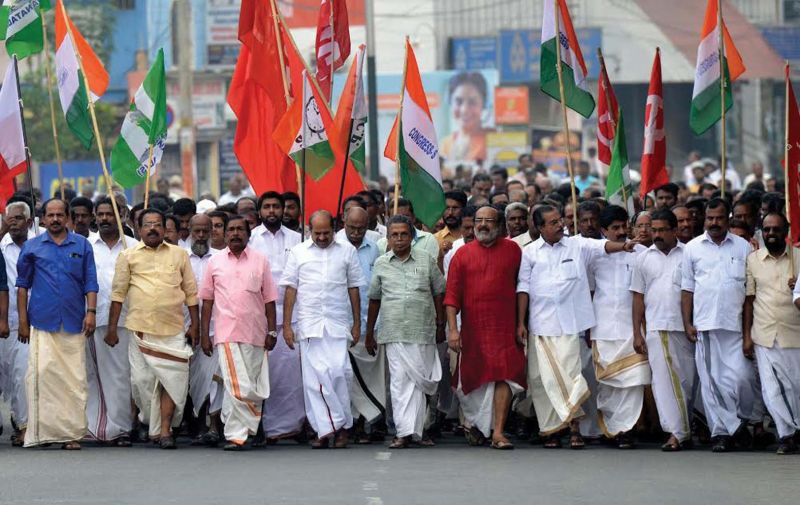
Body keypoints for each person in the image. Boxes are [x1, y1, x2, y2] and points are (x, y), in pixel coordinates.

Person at [516, 205, 637, 449]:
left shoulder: (577, 245)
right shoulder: (530, 253)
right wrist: (520, 322)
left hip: (571, 325)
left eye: (560, 220)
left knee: (571, 376)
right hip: (541, 325)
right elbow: (523, 288)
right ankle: (550, 429)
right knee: (542, 380)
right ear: (540, 228)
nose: (560, 225)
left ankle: (574, 428)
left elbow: (603, 246)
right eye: (552, 222)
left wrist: (624, 246)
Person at [108, 208, 199, 449]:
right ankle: (152, 424)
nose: (152, 228)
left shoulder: (180, 255)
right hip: (141, 331)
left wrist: (195, 327)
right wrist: (111, 329)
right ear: (138, 229)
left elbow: (191, 294)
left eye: (157, 224)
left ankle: (166, 430)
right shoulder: (128, 256)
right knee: (141, 382)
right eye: (147, 224)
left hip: (173, 330)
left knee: (171, 381)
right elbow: (118, 294)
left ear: (164, 227)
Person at [681, 198, 762, 452]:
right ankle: (722, 433)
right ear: (704, 219)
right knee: (712, 383)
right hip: (705, 325)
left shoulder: (744, 248)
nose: (714, 223)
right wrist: (687, 323)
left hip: (736, 326)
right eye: (710, 218)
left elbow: (750, 294)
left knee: (743, 378)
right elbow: (687, 290)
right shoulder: (693, 248)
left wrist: (749, 332)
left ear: (728, 218)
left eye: (718, 218)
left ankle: (738, 423)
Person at [17, 198, 98, 449]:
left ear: (67, 217)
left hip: (75, 321)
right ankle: (43, 433)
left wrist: (91, 312)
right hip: (42, 321)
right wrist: (22, 321)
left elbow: (90, 283)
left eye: (59, 215)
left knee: (73, 381)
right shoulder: (32, 247)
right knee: (41, 377)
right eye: (50, 215)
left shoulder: (82, 245)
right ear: (43, 219)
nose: (54, 219)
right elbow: (22, 287)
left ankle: (71, 435)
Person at [281, 210, 365, 448]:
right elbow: (290, 289)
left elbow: (354, 288)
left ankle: (338, 425)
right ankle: (325, 430)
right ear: (309, 230)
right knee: (314, 379)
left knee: (340, 374)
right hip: (309, 324)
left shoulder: (347, 251)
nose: (321, 237)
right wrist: (287, 326)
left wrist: (357, 323)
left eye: (326, 233)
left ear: (334, 229)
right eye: (316, 233)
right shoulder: (298, 252)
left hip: (338, 323)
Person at [447, 206, 526, 449]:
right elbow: (451, 297)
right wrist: (453, 330)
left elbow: (523, 288)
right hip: (474, 330)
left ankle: (498, 432)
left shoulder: (514, 251)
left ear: (500, 225)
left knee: (505, 375)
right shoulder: (462, 254)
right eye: (478, 220)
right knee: (473, 381)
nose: (482, 225)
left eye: (488, 221)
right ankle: (477, 424)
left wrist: (521, 323)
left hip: (504, 328)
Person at [366, 215, 446, 448]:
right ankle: (403, 432)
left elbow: (439, 293)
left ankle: (420, 431)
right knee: (400, 384)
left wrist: (441, 325)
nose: (399, 239)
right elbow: (374, 300)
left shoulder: (426, 260)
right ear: (387, 238)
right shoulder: (381, 263)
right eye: (394, 235)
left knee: (421, 383)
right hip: (394, 331)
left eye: (403, 234)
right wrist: (370, 332)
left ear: (412, 236)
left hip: (423, 330)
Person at [199, 215, 277, 450]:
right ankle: (236, 435)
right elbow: (207, 301)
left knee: (250, 383)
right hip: (226, 334)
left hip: (256, 333)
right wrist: (205, 335)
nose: (234, 233)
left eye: (239, 230)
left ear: (248, 233)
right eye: (230, 229)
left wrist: (272, 331)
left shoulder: (260, 260)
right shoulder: (215, 262)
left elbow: (270, 300)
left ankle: (247, 429)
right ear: (224, 233)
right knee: (235, 385)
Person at [631, 209, 696, 451]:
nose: (655, 234)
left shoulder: (689, 254)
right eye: (653, 230)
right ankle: (676, 434)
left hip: (686, 328)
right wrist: (637, 332)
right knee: (664, 383)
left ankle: (685, 429)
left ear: (674, 230)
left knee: (687, 382)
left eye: (661, 230)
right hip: (657, 327)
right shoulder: (643, 258)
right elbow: (637, 298)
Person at [586, 205, 650, 448]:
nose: (622, 232)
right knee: (609, 382)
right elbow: (589, 290)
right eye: (615, 228)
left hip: (632, 329)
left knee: (633, 380)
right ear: (603, 230)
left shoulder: (642, 253)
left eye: (625, 227)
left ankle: (626, 430)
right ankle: (611, 428)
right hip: (602, 326)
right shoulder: (593, 255)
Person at [249, 191, 304, 442]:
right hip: (260, 318)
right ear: (260, 212)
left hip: (292, 316)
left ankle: (293, 426)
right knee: (263, 374)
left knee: (291, 375)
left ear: (283, 210)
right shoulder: (250, 239)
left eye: (276, 207)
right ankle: (263, 427)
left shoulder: (298, 239)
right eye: (267, 207)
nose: (272, 211)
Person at [744, 212, 800, 454]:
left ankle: (796, 428)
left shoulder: (798, 258)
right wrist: (747, 335)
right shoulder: (753, 260)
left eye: (776, 229)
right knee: (771, 389)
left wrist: (798, 285)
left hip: (793, 333)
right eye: (767, 229)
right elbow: (749, 300)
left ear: (786, 231)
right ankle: (786, 435)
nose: (771, 234)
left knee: (795, 387)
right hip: (764, 334)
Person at [87, 197, 133, 446]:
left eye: (110, 214)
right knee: (91, 374)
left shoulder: (134, 246)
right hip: (91, 319)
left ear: (122, 215)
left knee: (120, 375)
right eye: (101, 214)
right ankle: (94, 426)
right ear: (95, 215)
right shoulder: (85, 246)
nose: (105, 219)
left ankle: (122, 428)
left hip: (125, 321)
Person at [339, 207, 386, 443]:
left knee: (371, 377)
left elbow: (378, 287)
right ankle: (354, 422)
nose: (356, 232)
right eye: (352, 227)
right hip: (342, 324)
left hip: (371, 324)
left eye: (361, 228)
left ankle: (373, 421)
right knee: (348, 377)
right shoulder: (334, 245)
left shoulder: (374, 247)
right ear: (343, 222)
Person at [185, 214, 224, 445]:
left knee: (215, 379)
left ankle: (214, 426)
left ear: (212, 231)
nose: (200, 236)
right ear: (189, 230)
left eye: (205, 231)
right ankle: (196, 426)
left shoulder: (221, 258)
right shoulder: (180, 257)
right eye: (196, 231)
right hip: (186, 328)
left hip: (216, 328)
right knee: (192, 379)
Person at [0, 202, 31, 445]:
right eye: (9, 218)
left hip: (30, 322)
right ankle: (11, 416)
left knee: (22, 375)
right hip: (3, 320)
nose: (14, 222)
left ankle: (24, 425)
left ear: (29, 222)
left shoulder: (39, 245)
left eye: (19, 218)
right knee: (4, 377)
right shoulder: (1, 245)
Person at [440, 72, 489, 163]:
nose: (464, 110)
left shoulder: (492, 140)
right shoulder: (445, 144)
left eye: (472, 102)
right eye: (458, 102)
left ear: (483, 105)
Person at [433, 190, 467, 255]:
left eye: (455, 208)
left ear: (464, 209)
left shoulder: (471, 236)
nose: (450, 213)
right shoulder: (435, 239)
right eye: (447, 208)